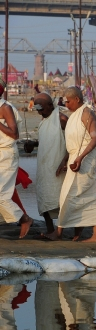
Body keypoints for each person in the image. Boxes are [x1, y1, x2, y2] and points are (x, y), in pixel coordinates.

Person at [46, 86, 96, 242]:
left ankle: (60, 232)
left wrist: (80, 158)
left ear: (77, 100)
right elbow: (72, 145)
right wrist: (64, 161)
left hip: (85, 160)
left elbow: (95, 138)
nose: (66, 104)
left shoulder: (87, 113)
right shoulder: (73, 116)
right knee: (79, 196)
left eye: (68, 101)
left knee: (72, 195)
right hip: (74, 159)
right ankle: (93, 233)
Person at [0, 78, 33, 238]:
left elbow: (14, 134)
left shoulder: (5, 107)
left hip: (6, 154)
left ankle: (24, 219)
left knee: (1, 195)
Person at [33, 92, 69, 235]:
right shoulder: (43, 121)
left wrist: (65, 160)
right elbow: (46, 140)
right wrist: (33, 144)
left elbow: (73, 141)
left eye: (41, 108)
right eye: (37, 109)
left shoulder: (61, 119)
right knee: (44, 197)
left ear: (50, 105)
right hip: (44, 166)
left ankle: (60, 231)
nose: (39, 112)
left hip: (57, 165)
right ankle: (50, 229)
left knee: (60, 198)